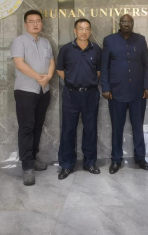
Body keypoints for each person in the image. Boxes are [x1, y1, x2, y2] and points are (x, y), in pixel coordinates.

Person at [101, 14, 148, 174]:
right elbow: (104, 66)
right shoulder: (109, 40)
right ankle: (116, 160)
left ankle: (140, 158)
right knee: (117, 128)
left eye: (129, 22)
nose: (126, 24)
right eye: (123, 21)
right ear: (119, 23)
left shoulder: (140, 40)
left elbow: (146, 65)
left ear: (133, 23)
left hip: (138, 92)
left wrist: (147, 86)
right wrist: (106, 88)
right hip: (116, 92)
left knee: (138, 126)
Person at [10, 10, 54, 186]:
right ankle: (27, 166)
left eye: (38, 21)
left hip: (43, 90)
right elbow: (19, 64)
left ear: (42, 23)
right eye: (31, 21)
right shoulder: (19, 41)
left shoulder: (46, 42)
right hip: (25, 91)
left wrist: (48, 77)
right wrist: (39, 77)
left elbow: (51, 61)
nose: (35, 24)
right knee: (26, 127)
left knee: (37, 126)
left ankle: (33, 158)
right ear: (25, 24)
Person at [56, 18, 102, 180]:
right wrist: (71, 81)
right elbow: (60, 69)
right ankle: (67, 165)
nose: (84, 31)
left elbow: (99, 72)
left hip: (91, 94)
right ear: (75, 31)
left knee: (90, 129)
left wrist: (87, 81)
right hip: (71, 94)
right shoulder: (66, 49)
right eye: (80, 28)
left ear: (90, 31)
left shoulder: (96, 50)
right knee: (68, 129)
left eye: (87, 28)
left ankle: (90, 162)